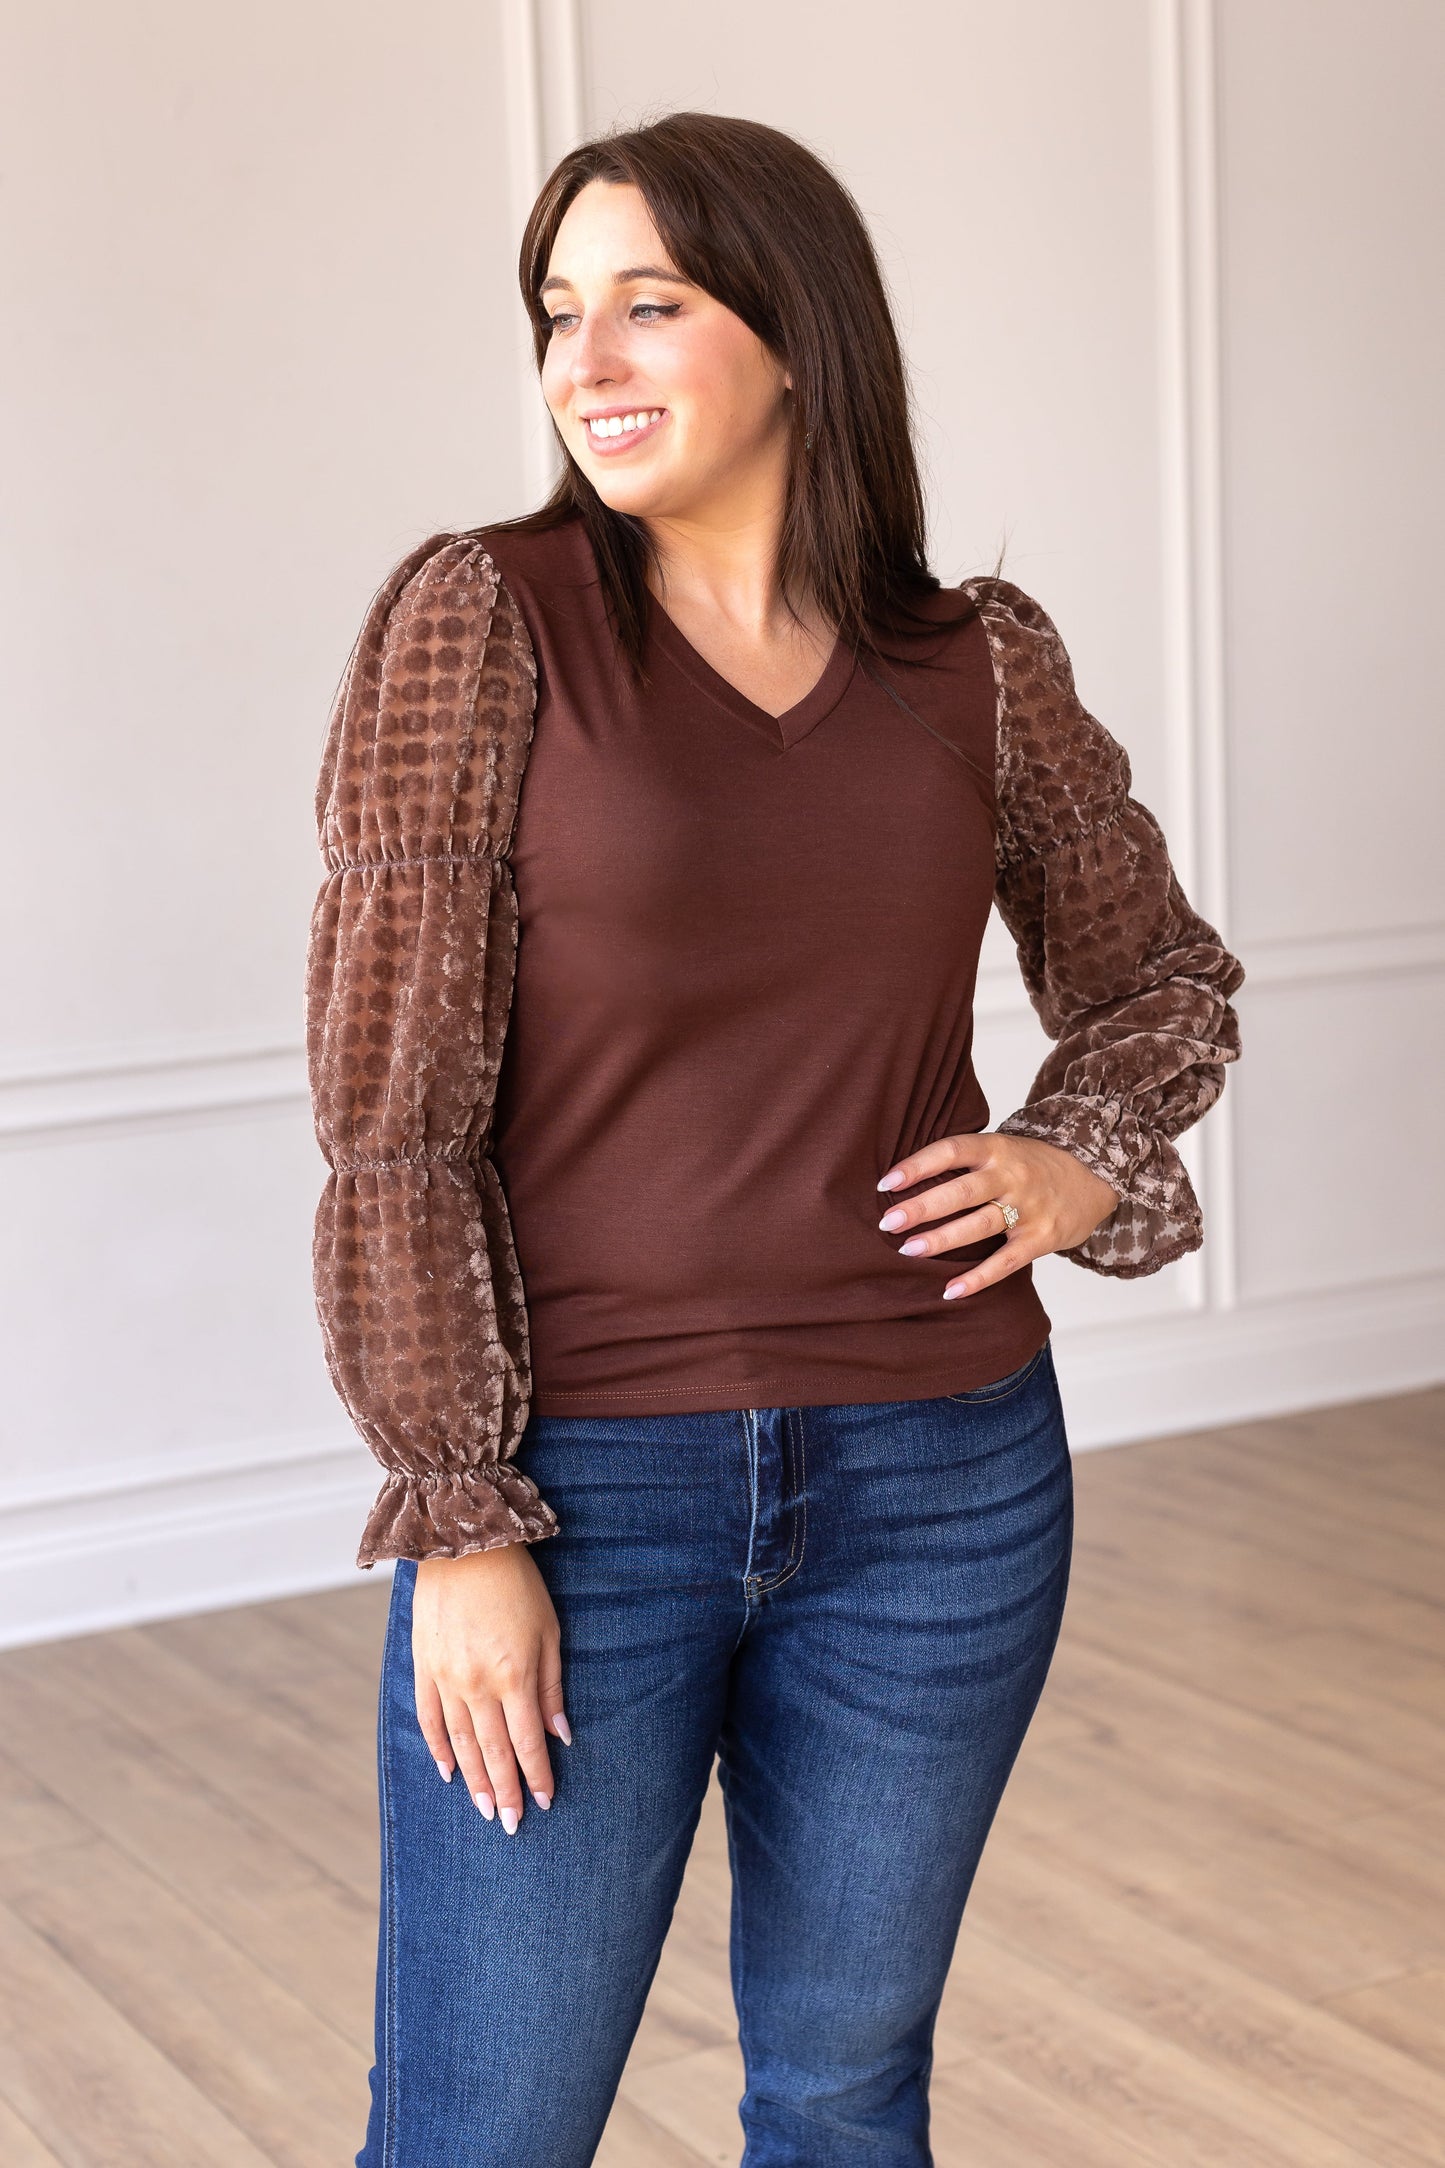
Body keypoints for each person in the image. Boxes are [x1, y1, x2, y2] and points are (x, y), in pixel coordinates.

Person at [306, 109, 1245, 2168]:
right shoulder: (482, 619)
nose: (585, 359)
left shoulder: (975, 658)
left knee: (842, 2098)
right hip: (587, 1493)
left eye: (648, 303)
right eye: (557, 311)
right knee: (480, 2130)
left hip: (945, 1480)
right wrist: (459, 1518)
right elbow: (393, 1125)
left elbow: (1164, 977)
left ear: (796, 334)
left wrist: (1076, 1154)